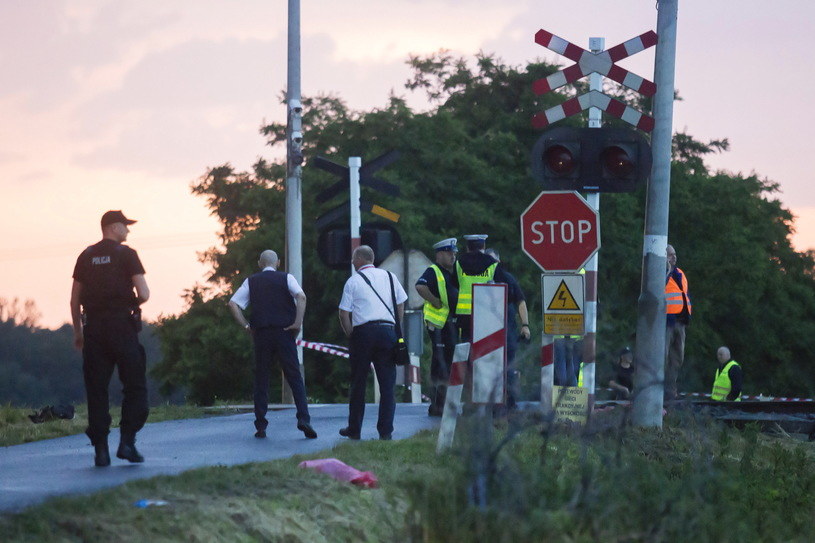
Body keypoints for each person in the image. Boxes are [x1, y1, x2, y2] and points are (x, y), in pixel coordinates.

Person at [70, 210, 150, 467]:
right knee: (135, 386)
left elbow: (74, 300)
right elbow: (145, 293)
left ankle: (101, 451)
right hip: (122, 327)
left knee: (97, 390)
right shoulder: (127, 255)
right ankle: (127, 442)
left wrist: (78, 332)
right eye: (125, 226)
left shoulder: (86, 255)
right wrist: (130, 303)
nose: (128, 230)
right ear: (114, 227)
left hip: (94, 329)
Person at [228, 250, 317, 440]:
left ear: (260, 263)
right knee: (294, 377)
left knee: (262, 379)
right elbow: (301, 297)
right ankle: (304, 418)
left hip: (261, 334)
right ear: (278, 262)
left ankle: (261, 424)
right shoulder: (287, 278)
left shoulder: (251, 281)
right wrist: (297, 322)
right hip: (284, 332)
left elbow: (233, 304)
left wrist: (246, 325)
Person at [338, 245, 408, 440]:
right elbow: (401, 303)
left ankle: (354, 429)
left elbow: (344, 313)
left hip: (363, 334)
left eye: (353, 259)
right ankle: (385, 432)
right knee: (387, 385)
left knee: (358, 383)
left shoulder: (353, 281)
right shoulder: (390, 277)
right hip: (387, 332)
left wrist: (351, 335)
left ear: (360, 259)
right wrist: (394, 325)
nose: (352, 262)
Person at [416, 238, 459, 416]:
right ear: (439, 254)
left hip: (450, 327)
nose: (453, 256)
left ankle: (443, 404)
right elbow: (420, 286)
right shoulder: (434, 271)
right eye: (449, 253)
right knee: (441, 367)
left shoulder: (452, 272)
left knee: (448, 365)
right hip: (439, 327)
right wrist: (435, 302)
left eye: (454, 253)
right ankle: (438, 405)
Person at [484, 248, 531, 409]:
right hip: (485, 335)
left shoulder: (507, 278)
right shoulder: (478, 279)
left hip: (507, 333)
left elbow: (520, 301)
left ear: (498, 262)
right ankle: (489, 406)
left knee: (508, 369)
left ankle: (510, 405)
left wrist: (525, 325)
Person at [453, 234, 510, 343]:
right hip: (486, 312)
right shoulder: (493, 264)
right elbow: (501, 288)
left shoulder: (458, 263)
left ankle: (468, 361)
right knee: (484, 345)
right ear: (483, 247)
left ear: (467, 247)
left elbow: (453, 285)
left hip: (464, 314)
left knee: (466, 345)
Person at [665, 244, 692, 400]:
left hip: (681, 322)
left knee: (677, 358)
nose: (673, 257)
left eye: (674, 254)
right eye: (670, 255)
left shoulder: (680, 273)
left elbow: (684, 295)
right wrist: (666, 270)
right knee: (663, 356)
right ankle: (659, 389)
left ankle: (670, 389)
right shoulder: (660, 272)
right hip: (666, 322)